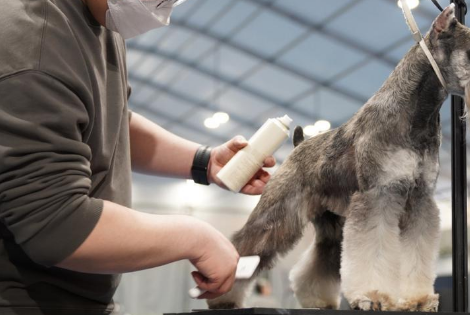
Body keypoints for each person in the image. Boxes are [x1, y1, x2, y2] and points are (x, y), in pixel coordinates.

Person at [0, 0, 275, 314]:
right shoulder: (37, 40)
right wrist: (194, 236)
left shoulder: (97, 20)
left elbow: (111, 120)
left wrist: (205, 162)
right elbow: (56, 224)